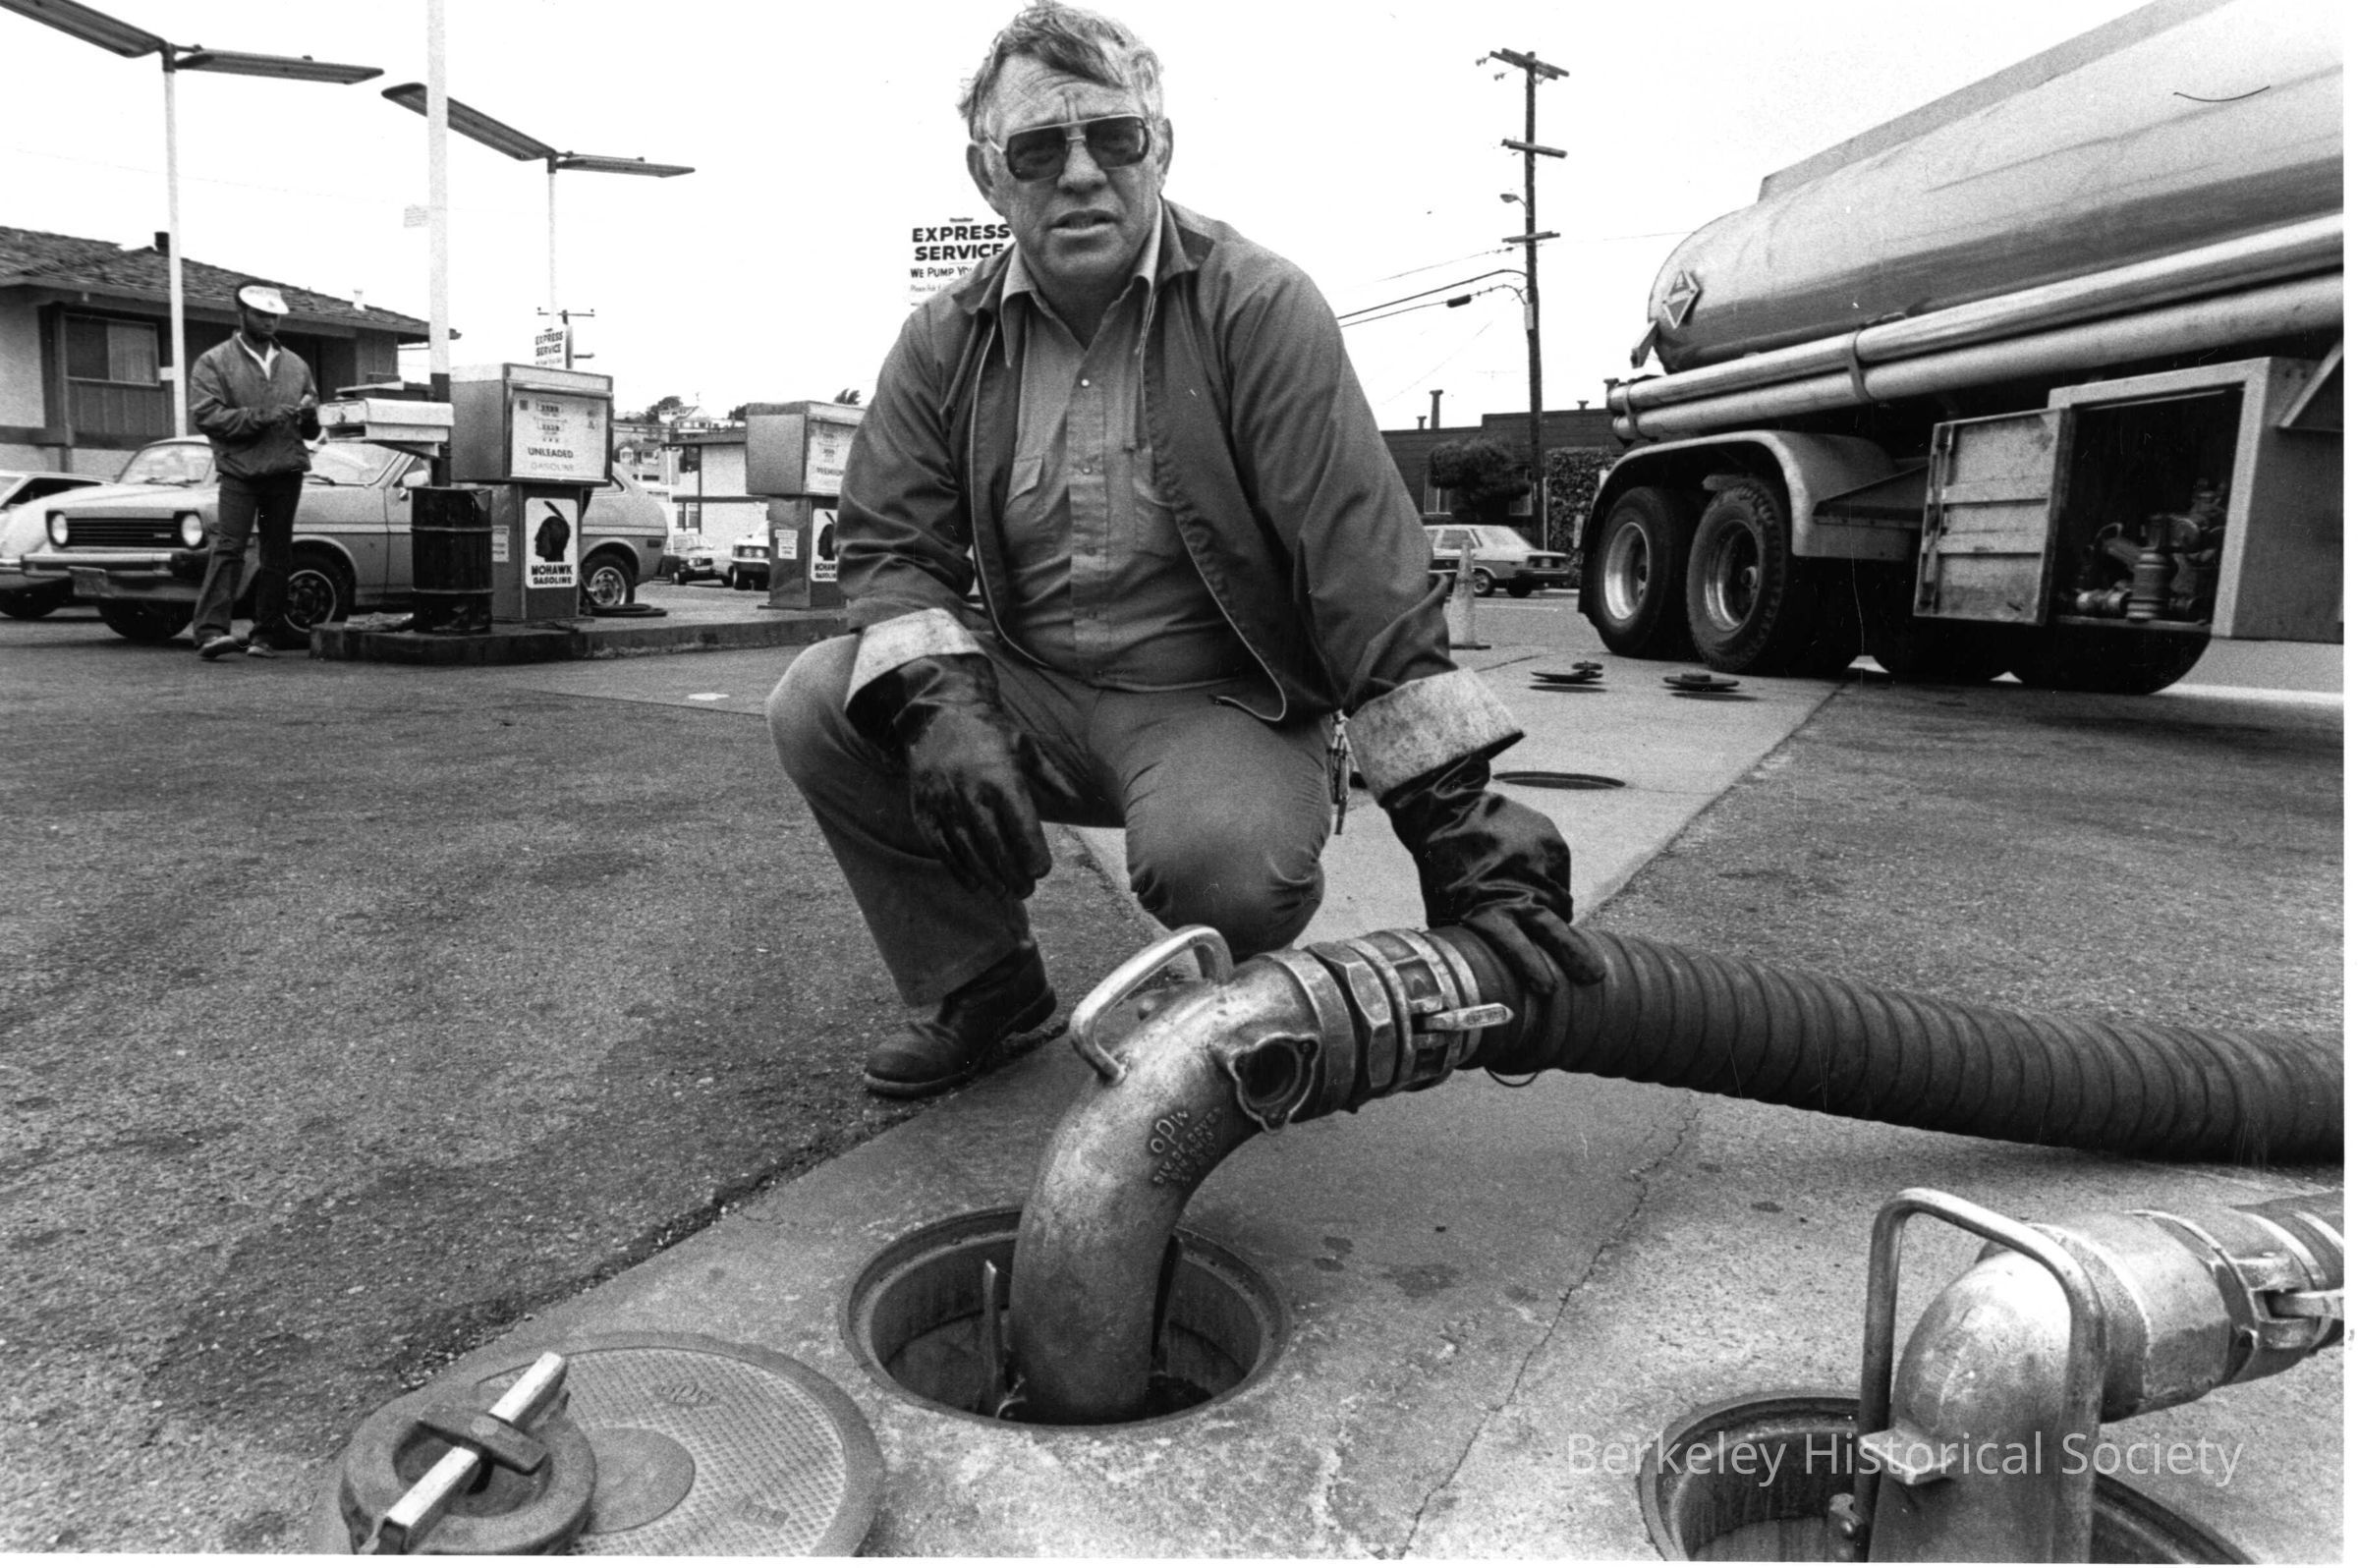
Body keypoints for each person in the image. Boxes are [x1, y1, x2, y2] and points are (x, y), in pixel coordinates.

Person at [768, 1, 1602, 1099]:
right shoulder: (943, 340)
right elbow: (890, 547)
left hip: (1217, 700)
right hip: (1034, 686)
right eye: (1039, 149)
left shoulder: (1259, 306)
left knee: (1228, 870)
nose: (1081, 174)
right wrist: (938, 705)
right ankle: (984, 981)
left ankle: (1223, 1002)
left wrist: (1458, 818)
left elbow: (1359, 566)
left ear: (1159, 148)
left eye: (1114, 138)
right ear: (989, 178)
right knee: (819, 702)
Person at [188, 281, 319, 660]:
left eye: (274, 315)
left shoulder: (296, 365)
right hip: (239, 471)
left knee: (278, 554)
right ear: (241, 314)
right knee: (229, 547)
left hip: (285, 468)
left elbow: (312, 429)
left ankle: (265, 636)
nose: (269, 322)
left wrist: (310, 417)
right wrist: (262, 416)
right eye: (261, 315)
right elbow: (207, 416)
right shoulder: (213, 361)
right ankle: (210, 633)